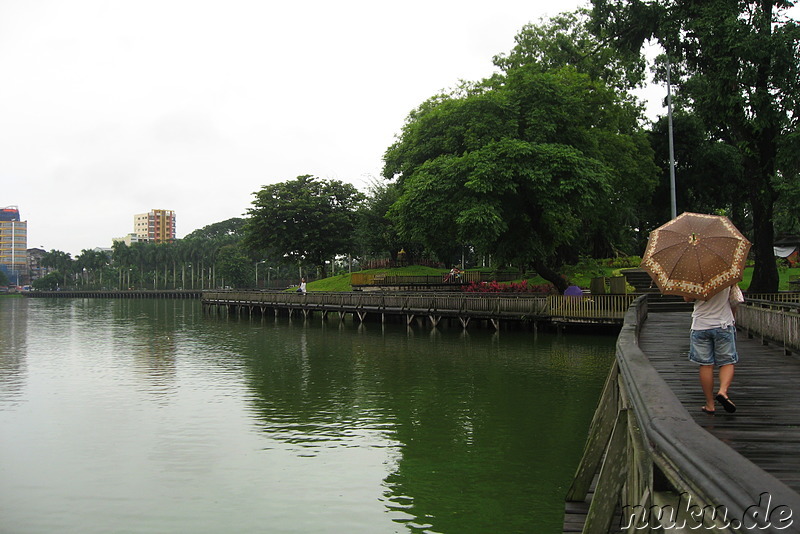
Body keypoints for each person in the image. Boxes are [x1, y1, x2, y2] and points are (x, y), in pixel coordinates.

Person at [684, 284, 744, 414]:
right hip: (723, 324)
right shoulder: (727, 275)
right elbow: (734, 301)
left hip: (700, 325)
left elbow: (687, 299)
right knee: (727, 362)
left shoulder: (694, 277)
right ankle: (722, 391)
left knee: (706, 365)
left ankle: (710, 404)